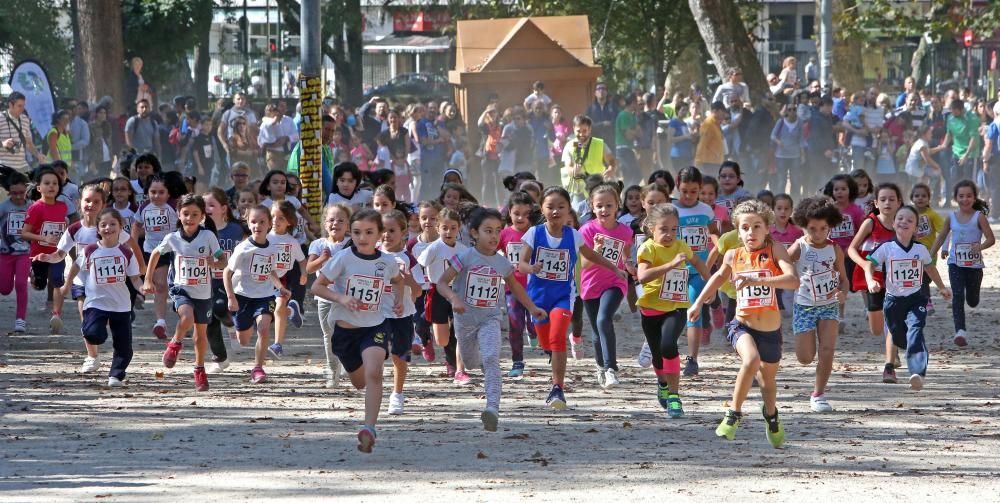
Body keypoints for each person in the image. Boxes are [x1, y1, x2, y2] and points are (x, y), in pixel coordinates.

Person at [688, 199, 798, 447]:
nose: (751, 233)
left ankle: (771, 416)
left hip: (770, 331)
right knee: (751, 360)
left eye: (757, 226)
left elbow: (792, 280)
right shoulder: (732, 254)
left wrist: (761, 282)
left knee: (767, 382)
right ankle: (733, 413)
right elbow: (718, 277)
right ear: (738, 231)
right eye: (745, 228)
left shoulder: (775, 250)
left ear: (767, 228)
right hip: (741, 325)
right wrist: (697, 304)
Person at [436, 207, 545, 431]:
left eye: (498, 231)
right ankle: (478, 372)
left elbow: (516, 288)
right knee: (472, 362)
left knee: (491, 358)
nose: (494, 236)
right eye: (488, 231)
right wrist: (454, 298)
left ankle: (492, 408)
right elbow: (441, 283)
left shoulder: (503, 263)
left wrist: (533, 309)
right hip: (465, 320)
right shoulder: (464, 257)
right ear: (474, 233)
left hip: (490, 318)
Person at [517, 187, 626, 409]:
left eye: (561, 207)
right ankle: (552, 356)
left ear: (569, 211)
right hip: (538, 298)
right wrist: (531, 267)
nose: (555, 211)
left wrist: (614, 268)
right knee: (548, 342)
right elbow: (520, 263)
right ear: (542, 209)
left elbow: (591, 255)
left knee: (557, 338)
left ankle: (557, 389)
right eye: (550, 207)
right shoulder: (534, 233)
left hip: (563, 297)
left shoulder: (573, 236)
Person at [311, 209, 405, 454]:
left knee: (374, 373)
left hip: (374, 326)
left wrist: (398, 300)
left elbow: (398, 280)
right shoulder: (342, 258)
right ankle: (353, 373)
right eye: (356, 232)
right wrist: (341, 298)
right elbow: (317, 287)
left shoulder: (387, 262)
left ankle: (369, 428)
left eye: (369, 232)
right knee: (360, 382)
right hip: (345, 332)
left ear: (380, 235)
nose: (362, 238)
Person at [862, 205, 952, 390]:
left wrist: (942, 287)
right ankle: (915, 353)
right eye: (900, 218)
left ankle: (918, 372)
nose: (904, 222)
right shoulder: (886, 248)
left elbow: (930, 268)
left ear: (916, 229)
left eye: (910, 220)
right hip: (893, 301)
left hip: (916, 299)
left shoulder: (920, 249)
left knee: (916, 330)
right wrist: (870, 280)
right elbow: (869, 264)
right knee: (899, 337)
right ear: (893, 223)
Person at [636, 202, 710, 418]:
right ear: (651, 228)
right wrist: (670, 265)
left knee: (669, 345)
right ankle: (662, 383)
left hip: (676, 305)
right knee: (657, 357)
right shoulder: (647, 248)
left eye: (673, 230)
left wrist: (710, 284)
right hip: (650, 309)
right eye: (663, 229)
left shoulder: (680, 246)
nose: (669, 235)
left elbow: (698, 262)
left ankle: (675, 397)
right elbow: (643, 276)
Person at [145, 195, 225, 391]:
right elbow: (155, 253)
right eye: (186, 214)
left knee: (200, 336)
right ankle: (175, 343)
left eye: (195, 214)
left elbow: (223, 260)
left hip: (203, 292)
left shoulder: (208, 237)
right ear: (179, 215)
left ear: (202, 216)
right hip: (181, 289)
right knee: (186, 317)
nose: (190, 218)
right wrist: (148, 279)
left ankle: (199, 370)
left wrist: (213, 263)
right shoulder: (172, 238)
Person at [67, 208, 143, 387]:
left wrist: (143, 288)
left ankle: (115, 376)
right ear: (98, 229)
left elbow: (134, 277)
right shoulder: (91, 250)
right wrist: (66, 284)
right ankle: (91, 334)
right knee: (94, 335)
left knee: (124, 346)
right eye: (103, 225)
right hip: (95, 302)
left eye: (112, 224)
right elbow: (76, 267)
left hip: (121, 305)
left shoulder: (126, 252)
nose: (108, 228)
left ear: (121, 227)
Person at [786, 197, 849, 412]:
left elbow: (844, 279)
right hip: (804, 305)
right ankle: (807, 354)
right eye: (812, 228)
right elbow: (782, 263)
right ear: (804, 226)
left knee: (828, 350)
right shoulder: (800, 246)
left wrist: (843, 293)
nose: (818, 233)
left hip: (829, 304)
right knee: (805, 358)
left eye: (823, 228)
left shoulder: (835, 250)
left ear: (830, 226)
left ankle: (818, 394)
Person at [579, 183, 635, 387]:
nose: (604, 210)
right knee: (595, 331)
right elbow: (584, 264)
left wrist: (630, 266)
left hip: (615, 282)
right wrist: (595, 249)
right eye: (599, 205)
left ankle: (612, 368)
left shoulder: (625, 232)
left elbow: (626, 255)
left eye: (609, 205)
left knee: (604, 320)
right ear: (592, 207)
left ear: (617, 206)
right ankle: (601, 367)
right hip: (590, 284)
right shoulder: (586, 230)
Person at [847, 183, 903, 382]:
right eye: (883, 199)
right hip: (873, 279)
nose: (888, 203)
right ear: (876, 203)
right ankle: (891, 348)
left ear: (899, 202)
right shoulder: (871, 222)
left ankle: (889, 366)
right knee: (877, 328)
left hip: (896, 281)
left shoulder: (903, 223)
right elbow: (851, 249)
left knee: (893, 321)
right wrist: (865, 266)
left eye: (892, 199)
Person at [930, 180, 994, 347]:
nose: (965, 199)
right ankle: (960, 331)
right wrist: (930, 255)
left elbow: (991, 239)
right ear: (955, 198)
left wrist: (979, 247)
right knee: (957, 296)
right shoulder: (951, 217)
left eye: (969, 196)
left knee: (972, 300)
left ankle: (973, 298)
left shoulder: (979, 217)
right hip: (955, 264)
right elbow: (942, 236)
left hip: (974, 267)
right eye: (961, 196)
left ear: (974, 198)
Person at [131, 176, 178, 340]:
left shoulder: (174, 206)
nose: (156, 196)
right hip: (152, 250)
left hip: (175, 250)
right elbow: (136, 226)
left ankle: (183, 311)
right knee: (160, 284)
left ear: (168, 193)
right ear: (147, 192)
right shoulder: (144, 207)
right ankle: (160, 322)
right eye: (153, 192)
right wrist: (133, 245)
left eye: (161, 192)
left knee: (175, 285)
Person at [560, 115, 618, 205]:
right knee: (579, 216)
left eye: (584, 131)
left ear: (590, 129)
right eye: (578, 131)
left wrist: (611, 169)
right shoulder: (569, 146)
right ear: (573, 128)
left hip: (598, 187)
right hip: (579, 190)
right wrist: (574, 170)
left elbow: (612, 161)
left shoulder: (600, 144)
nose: (581, 134)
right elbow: (568, 168)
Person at [0, 170, 31, 332]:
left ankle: (20, 320)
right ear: (8, 192)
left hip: (24, 254)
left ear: (26, 190)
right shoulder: (4, 207)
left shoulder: (32, 206)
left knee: (20, 284)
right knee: (5, 289)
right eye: (14, 193)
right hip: (5, 254)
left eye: (21, 193)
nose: (18, 197)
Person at [1, 92, 43, 173]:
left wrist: (38, 155)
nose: (22, 109)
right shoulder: (1, 118)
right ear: (10, 105)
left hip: (22, 165)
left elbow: (28, 143)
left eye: (23, 106)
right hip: (4, 166)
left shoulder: (25, 119)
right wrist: (2, 143)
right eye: (19, 106)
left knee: (33, 184)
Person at [614, 95, 641, 186]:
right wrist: (635, 132)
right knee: (629, 175)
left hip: (630, 150)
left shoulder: (633, 116)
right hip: (623, 150)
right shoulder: (623, 115)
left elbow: (641, 133)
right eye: (637, 102)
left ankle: (627, 192)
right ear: (633, 103)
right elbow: (628, 136)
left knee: (637, 174)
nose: (638, 105)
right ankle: (625, 194)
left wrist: (634, 132)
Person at [694, 101, 726, 172]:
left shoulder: (716, 124)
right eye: (722, 111)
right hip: (708, 163)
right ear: (715, 111)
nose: (724, 114)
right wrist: (698, 161)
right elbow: (702, 144)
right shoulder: (708, 124)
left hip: (716, 162)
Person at [586, 83, 619, 150]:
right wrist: (603, 124)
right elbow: (588, 125)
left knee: (611, 160)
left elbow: (616, 123)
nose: (601, 91)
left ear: (606, 92)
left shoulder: (613, 107)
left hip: (610, 142)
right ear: (595, 93)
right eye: (598, 89)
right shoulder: (590, 108)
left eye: (603, 89)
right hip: (596, 141)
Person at [87, 106, 113, 175]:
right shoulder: (91, 126)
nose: (103, 115)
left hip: (108, 159)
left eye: (104, 113)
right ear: (96, 114)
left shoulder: (108, 126)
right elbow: (89, 145)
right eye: (100, 113)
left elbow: (110, 142)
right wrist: (92, 162)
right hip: (97, 160)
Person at [69, 102, 90, 177]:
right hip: (62, 157)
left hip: (76, 157)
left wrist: (71, 146)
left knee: (75, 180)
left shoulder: (82, 123)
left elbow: (85, 141)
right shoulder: (61, 123)